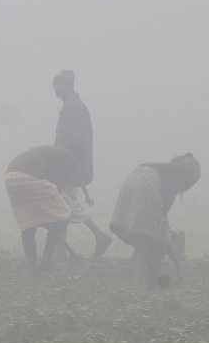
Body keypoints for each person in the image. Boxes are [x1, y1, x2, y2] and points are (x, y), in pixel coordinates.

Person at [110, 154, 200, 289]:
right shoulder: (189, 174)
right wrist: (162, 219)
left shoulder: (167, 169)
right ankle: (151, 286)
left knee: (141, 240)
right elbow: (166, 192)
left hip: (134, 178)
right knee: (156, 243)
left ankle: (136, 283)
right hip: (147, 184)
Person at [53, 70, 113, 256]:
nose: (56, 89)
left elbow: (71, 143)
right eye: (55, 85)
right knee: (62, 207)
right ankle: (60, 249)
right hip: (70, 166)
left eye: (60, 85)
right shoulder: (73, 106)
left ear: (69, 86)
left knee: (65, 204)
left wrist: (62, 166)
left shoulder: (73, 108)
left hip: (68, 167)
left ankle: (99, 235)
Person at [4, 145, 79, 275]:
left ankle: (33, 270)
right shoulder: (71, 158)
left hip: (11, 177)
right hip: (31, 176)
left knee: (28, 224)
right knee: (63, 216)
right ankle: (45, 262)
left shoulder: (52, 152)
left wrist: (46, 218)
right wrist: (53, 220)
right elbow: (57, 185)